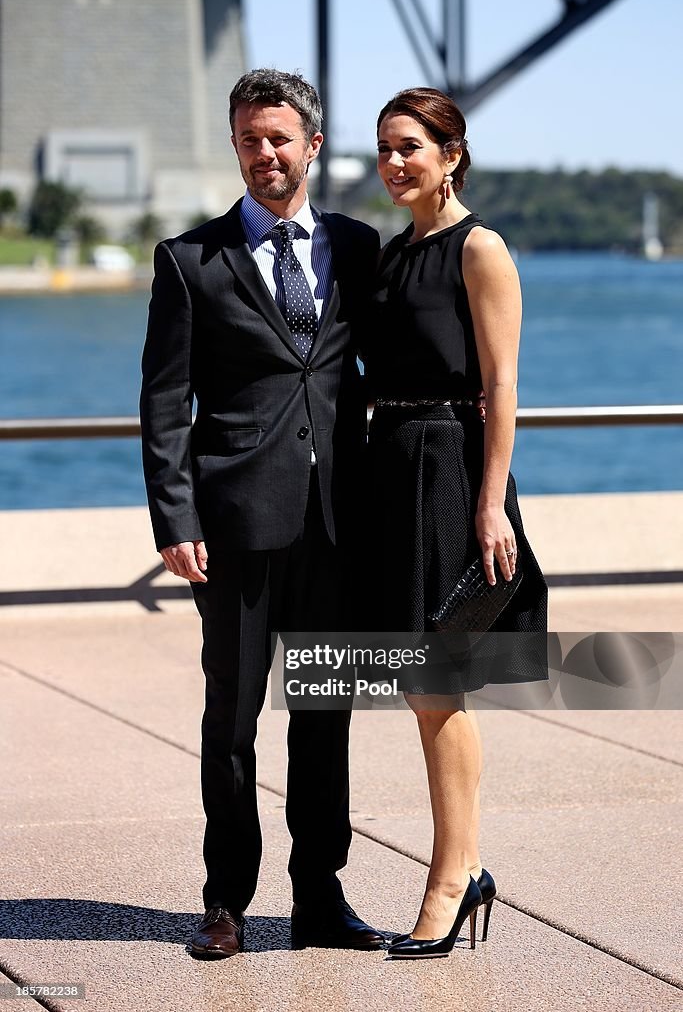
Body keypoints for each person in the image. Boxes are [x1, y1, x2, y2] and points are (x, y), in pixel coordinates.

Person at [139, 68, 383, 958]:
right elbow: (164, 403)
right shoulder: (188, 260)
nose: (264, 154)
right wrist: (175, 518)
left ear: (312, 145)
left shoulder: (358, 248)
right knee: (231, 721)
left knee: (326, 715)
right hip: (234, 525)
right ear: (235, 146)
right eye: (249, 139)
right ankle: (226, 903)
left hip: (337, 525)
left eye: (279, 138)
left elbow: (388, 365)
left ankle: (319, 899)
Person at [362, 87, 548, 959]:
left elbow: (504, 384)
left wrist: (488, 501)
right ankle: (459, 870)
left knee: (438, 684)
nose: (394, 163)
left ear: (451, 154)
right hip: (391, 464)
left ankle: (454, 874)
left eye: (410, 148)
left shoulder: (481, 249)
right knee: (416, 681)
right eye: (384, 149)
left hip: (452, 469)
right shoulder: (394, 255)